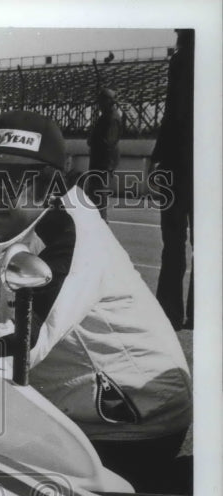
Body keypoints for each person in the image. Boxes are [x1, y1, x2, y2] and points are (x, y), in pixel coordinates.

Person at [0, 110, 191, 491]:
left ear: (50, 184)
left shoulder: (69, 235)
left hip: (132, 425)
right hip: (74, 409)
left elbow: (21, 344)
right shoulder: (7, 234)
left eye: (12, 181)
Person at [150, 29, 194, 330]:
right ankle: (201, 312)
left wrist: (156, 157)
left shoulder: (181, 60)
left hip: (178, 164)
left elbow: (173, 113)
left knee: (174, 242)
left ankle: (170, 312)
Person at [84, 87, 122, 220]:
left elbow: (108, 143)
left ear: (109, 101)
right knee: (95, 197)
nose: (99, 104)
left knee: (99, 197)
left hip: (103, 164)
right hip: (100, 163)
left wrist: (92, 140)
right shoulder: (107, 116)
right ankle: (98, 223)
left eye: (101, 101)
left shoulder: (111, 118)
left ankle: (102, 225)